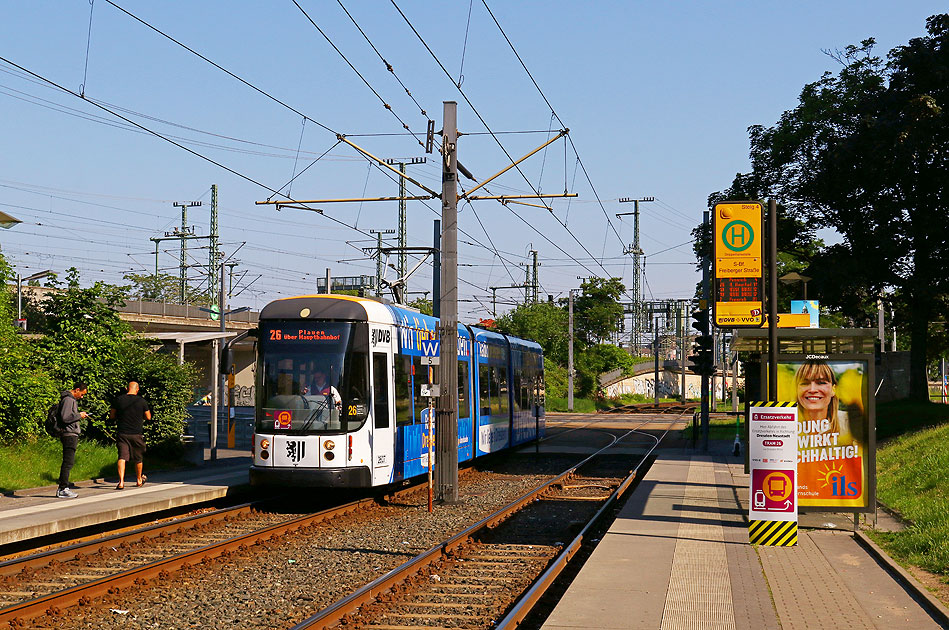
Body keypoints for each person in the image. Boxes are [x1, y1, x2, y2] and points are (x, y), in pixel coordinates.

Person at [110, 380, 152, 489]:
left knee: (122, 457)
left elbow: (112, 415)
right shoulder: (142, 401)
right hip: (136, 433)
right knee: (138, 458)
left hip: (122, 433)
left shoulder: (118, 400)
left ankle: (121, 482)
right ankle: (138, 480)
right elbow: (148, 417)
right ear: (137, 389)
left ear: (127, 388)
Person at [57, 382, 88, 498]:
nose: (82, 397)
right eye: (82, 394)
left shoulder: (70, 400)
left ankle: (64, 486)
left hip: (71, 433)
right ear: (77, 390)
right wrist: (79, 415)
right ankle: (63, 488)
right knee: (68, 461)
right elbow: (65, 417)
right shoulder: (68, 400)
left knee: (69, 461)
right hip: (69, 434)